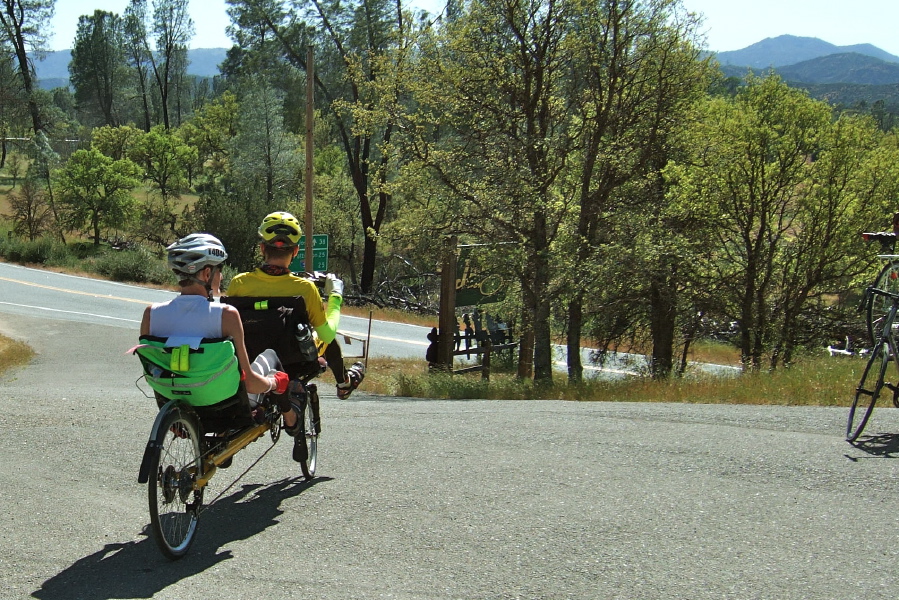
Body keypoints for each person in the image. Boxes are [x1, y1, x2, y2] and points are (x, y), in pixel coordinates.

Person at [139, 233, 296, 429]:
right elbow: (251, 384)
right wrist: (275, 383)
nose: (221, 277)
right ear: (206, 274)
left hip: (178, 409)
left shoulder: (151, 314)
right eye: (219, 270)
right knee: (270, 356)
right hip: (226, 412)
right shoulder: (226, 315)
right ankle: (290, 416)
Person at [227, 211, 366, 402]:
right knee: (328, 340)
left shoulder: (238, 283)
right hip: (293, 358)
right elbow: (327, 335)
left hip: (250, 356)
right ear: (295, 251)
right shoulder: (305, 288)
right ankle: (344, 384)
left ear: (261, 249)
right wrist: (335, 297)